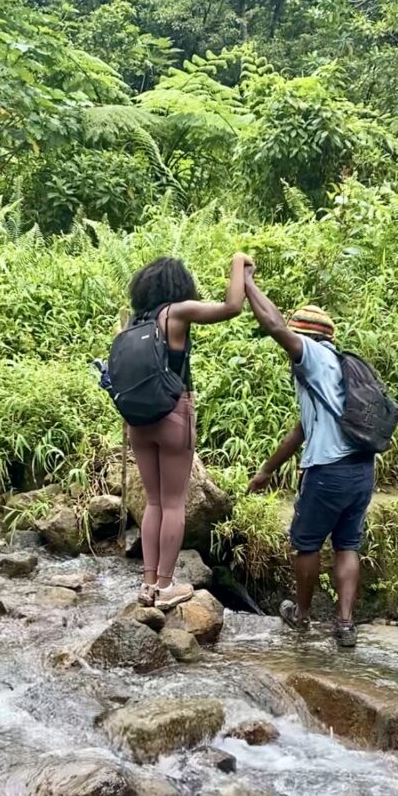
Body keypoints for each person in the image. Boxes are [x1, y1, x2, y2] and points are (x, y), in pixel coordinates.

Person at [245, 274, 374, 648]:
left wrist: (247, 281)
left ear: (305, 337)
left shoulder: (311, 356)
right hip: (362, 470)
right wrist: (267, 470)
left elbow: (273, 324)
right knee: (347, 545)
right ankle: (345, 625)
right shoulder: (341, 367)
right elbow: (301, 429)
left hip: (328, 472)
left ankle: (301, 617)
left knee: (307, 544)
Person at [127, 253, 252, 611]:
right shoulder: (177, 313)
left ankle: (148, 585)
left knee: (153, 502)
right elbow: (232, 306)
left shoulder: (134, 323)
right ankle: (166, 587)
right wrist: (238, 262)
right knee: (173, 502)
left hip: (138, 421)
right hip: (173, 414)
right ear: (179, 287)